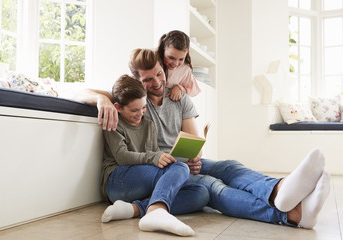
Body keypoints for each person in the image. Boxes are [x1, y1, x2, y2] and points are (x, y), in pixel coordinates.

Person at [73, 48, 330, 229]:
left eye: (159, 74)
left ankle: (277, 189)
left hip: (176, 160)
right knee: (210, 187)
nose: (156, 82)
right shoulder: (135, 101)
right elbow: (79, 90)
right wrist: (102, 99)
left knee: (228, 166)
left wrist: (195, 157)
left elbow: (194, 139)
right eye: (147, 79)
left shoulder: (178, 97)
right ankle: (291, 214)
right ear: (136, 80)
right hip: (156, 166)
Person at [99, 74, 209, 236]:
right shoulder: (114, 122)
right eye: (134, 110)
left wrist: (174, 162)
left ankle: (135, 209)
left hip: (143, 181)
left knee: (201, 193)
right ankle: (154, 212)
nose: (140, 113)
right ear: (118, 107)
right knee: (178, 168)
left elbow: (153, 154)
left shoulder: (148, 125)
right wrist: (157, 159)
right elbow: (122, 157)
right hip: (118, 180)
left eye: (143, 108)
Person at [157, 30, 201, 101]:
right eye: (171, 58)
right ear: (163, 50)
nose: (176, 64)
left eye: (181, 59)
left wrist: (179, 87)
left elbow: (191, 90)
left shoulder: (184, 68)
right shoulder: (152, 60)